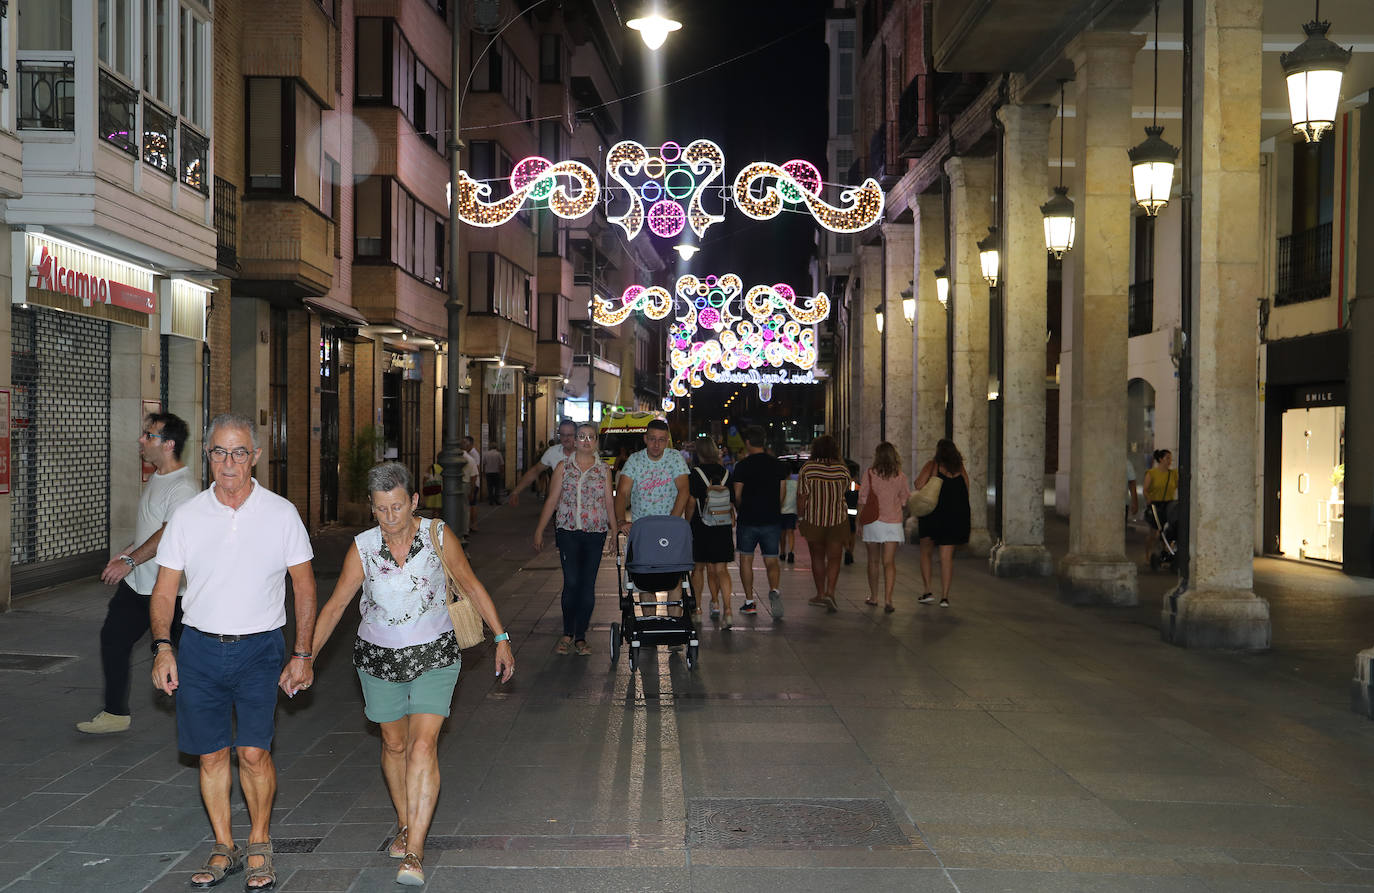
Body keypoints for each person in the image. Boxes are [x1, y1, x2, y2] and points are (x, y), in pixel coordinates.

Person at [310, 462, 514, 886]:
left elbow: (471, 585)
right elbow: (335, 607)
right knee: (394, 743)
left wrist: (501, 637)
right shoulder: (363, 547)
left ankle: (415, 852)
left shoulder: (437, 535)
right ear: (372, 508)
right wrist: (304, 657)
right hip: (379, 658)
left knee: (423, 746)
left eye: (397, 508)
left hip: (435, 655)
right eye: (381, 510)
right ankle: (406, 823)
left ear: (414, 502)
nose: (390, 518)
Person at [149, 412, 317, 891]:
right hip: (198, 648)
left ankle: (259, 842)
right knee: (210, 755)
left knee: (253, 753)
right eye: (219, 452)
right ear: (208, 455)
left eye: (239, 452)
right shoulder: (188, 516)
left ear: (255, 457)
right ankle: (225, 844)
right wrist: (164, 649)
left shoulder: (281, 513)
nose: (228, 462)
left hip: (261, 649)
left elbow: (304, 587)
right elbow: (163, 594)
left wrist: (302, 653)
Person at [78, 412, 199, 735]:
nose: (141, 440)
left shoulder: (184, 487)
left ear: (169, 444)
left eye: (149, 435)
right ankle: (115, 713)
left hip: (172, 590)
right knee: (113, 639)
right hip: (139, 585)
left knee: (189, 657)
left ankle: (202, 712)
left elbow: (168, 534)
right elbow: (151, 527)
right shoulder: (158, 477)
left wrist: (129, 562)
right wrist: (128, 551)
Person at [533, 423, 615, 656]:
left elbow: (609, 503)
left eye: (591, 437)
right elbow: (552, 500)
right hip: (567, 531)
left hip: (595, 533)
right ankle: (567, 632)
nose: (586, 441)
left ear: (596, 441)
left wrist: (614, 532)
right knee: (571, 582)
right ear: (576, 441)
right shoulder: (563, 467)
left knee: (587, 586)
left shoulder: (604, 470)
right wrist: (539, 530)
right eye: (582, 437)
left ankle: (581, 637)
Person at [731, 425, 788, 619]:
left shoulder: (743, 466)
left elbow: (737, 495)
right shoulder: (777, 465)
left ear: (747, 443)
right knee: (771, 559)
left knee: (746, 559)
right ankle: (774, 589)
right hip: (771, 519)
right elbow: (782, 494)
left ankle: (749, 602)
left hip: (748, 518)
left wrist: (742, 507)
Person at [914, 439, 971, 608]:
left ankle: (927, 590)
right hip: (953, 518)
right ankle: (945, 597)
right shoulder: (960, 469)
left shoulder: (932, 465)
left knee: (926, 552)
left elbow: (918, 484)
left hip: (932, 515)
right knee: (946, 558)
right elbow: (966, 489)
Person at [797, 435, 851, 611]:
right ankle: (830, 593)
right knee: (835, 559)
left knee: (817, 557)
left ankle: (820, 594)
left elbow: (802, 497)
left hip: (814, 519)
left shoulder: (808, 469)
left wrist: (801, 517)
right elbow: (845, 492)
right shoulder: (842, 469)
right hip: (838, 519)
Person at [856, 442, 912, 613]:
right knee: (889, 563)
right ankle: (888, 599)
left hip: (873, 522)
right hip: (893, 523)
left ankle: (874, 597)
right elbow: (905, 500)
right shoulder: (900, 476)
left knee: (873, 561)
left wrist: (859, 521)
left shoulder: (870, 474)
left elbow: (862, 498)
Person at [687, 437, 735, 627]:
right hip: (722, 527)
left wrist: (686, 522)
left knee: (698, 568)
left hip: (701, 526)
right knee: (721, 570)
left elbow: (691, 503)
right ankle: (728, 610)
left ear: (699, 453)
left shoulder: (695, 474)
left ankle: (697, 609)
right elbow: (731, 502)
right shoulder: (725, 473)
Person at [613, 418, 689, 529]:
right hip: (642, 526)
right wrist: (621, 521)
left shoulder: (675, 458)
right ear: (645, 439)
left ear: (667, 440)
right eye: (652, 439)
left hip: (670, 525)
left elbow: (684, 490)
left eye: (661, 440)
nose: (656, 444)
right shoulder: (634, 460)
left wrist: (672, 521)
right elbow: (622, 493)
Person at [510, 419, 576, 507]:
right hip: (559, 507)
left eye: (569, 435)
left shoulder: (586, 452)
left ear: (576, 435)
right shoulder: (552, 452)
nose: (566, 438)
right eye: (562, 435)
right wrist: (515, 492)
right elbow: (535, 471)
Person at [1142, 448, 1179, 565]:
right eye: (1167, 458)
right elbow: (1145, 490)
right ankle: (1148, 554)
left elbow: (1178, 486)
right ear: (1160, 459)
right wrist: (1148, 498)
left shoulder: (1173, 474)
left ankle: (1165, 553)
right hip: (1155, 504)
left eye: (1170, 458)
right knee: (1154, 532)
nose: (1170, 461)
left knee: (1169, 530)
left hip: (1169, 504)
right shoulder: (1151, 473)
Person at [780, 461, 799, 563]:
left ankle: (782, 552)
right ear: (790, 472)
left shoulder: (779, 483)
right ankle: (790, 552)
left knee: (782, 534)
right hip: (792, 511)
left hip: (781, 511)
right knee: (790, 532)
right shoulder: (796, 484)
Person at [462, 436, 481, 532]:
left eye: (465, 443)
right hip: (471, 482)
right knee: (469, 505)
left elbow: (476, 471)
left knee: (471, 505)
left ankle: (473, 524)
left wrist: (472, 489)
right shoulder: (469, 455)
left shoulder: (473, 455)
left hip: (472, 483)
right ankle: (470, 525)